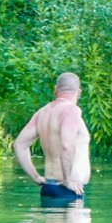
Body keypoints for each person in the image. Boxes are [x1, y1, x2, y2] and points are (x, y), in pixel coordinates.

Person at [14, 72, 91, 200]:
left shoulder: (42, 113)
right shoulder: (72, 110)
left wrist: (35, 177)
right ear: (79, 92)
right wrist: (67, 181)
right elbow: (67, 146)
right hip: (69, 189)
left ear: (56, 90)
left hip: (48, 187)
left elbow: (19, 145)